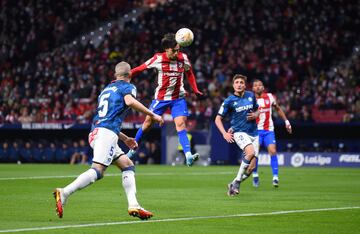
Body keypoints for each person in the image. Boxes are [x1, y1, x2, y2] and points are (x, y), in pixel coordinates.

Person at [53, 61, 164, 220]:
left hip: (97, 132)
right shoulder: (128, 87)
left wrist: (124, 138)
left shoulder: (105, 90)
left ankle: (133, 204)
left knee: (127, 165)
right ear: (129, 75)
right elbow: (130, 102)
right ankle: (64, 192)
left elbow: (107, 119)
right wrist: (153, 115)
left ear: (115, 75)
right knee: (97, 171)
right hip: (106, 134)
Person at [127, 33, 202, 166]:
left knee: (180, 124)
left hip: (178, 98)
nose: (176, 53)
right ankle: (132, 150)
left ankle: (188, 155)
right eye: (174, 50)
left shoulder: (183, 58)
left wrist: (195, 89)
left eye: (178, 50)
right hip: (161, 99)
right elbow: (139, 69)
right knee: (147, 123)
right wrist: (123, 78)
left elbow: (189, 73)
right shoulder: (158, 58)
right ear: (166, 48)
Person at [214, 74, 259, 196]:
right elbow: (217, 119)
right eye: (237, 82)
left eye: (241, 82)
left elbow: (257, 109)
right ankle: (238, 182)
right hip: (239, 132)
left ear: (245, 85)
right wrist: (224, 133)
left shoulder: (251, 95)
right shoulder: (229, 101)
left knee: (251, 168)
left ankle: (232, 184)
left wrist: (255, 115)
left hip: (254, 133)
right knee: (250, 153)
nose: (239, 84)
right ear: (233, 85)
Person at [252, 79, 292, 187]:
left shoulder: (270, 97)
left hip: (268, 130)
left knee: (273, 151)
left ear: (263, 87)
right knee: (254, 154)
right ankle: (255, 174)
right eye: (255, 85)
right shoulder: (250, 100)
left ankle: (275, 177)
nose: (258, 87)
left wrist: (286, 121)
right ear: (253, 88)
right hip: (255, 131)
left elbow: (278, 109)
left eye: (260, 85)